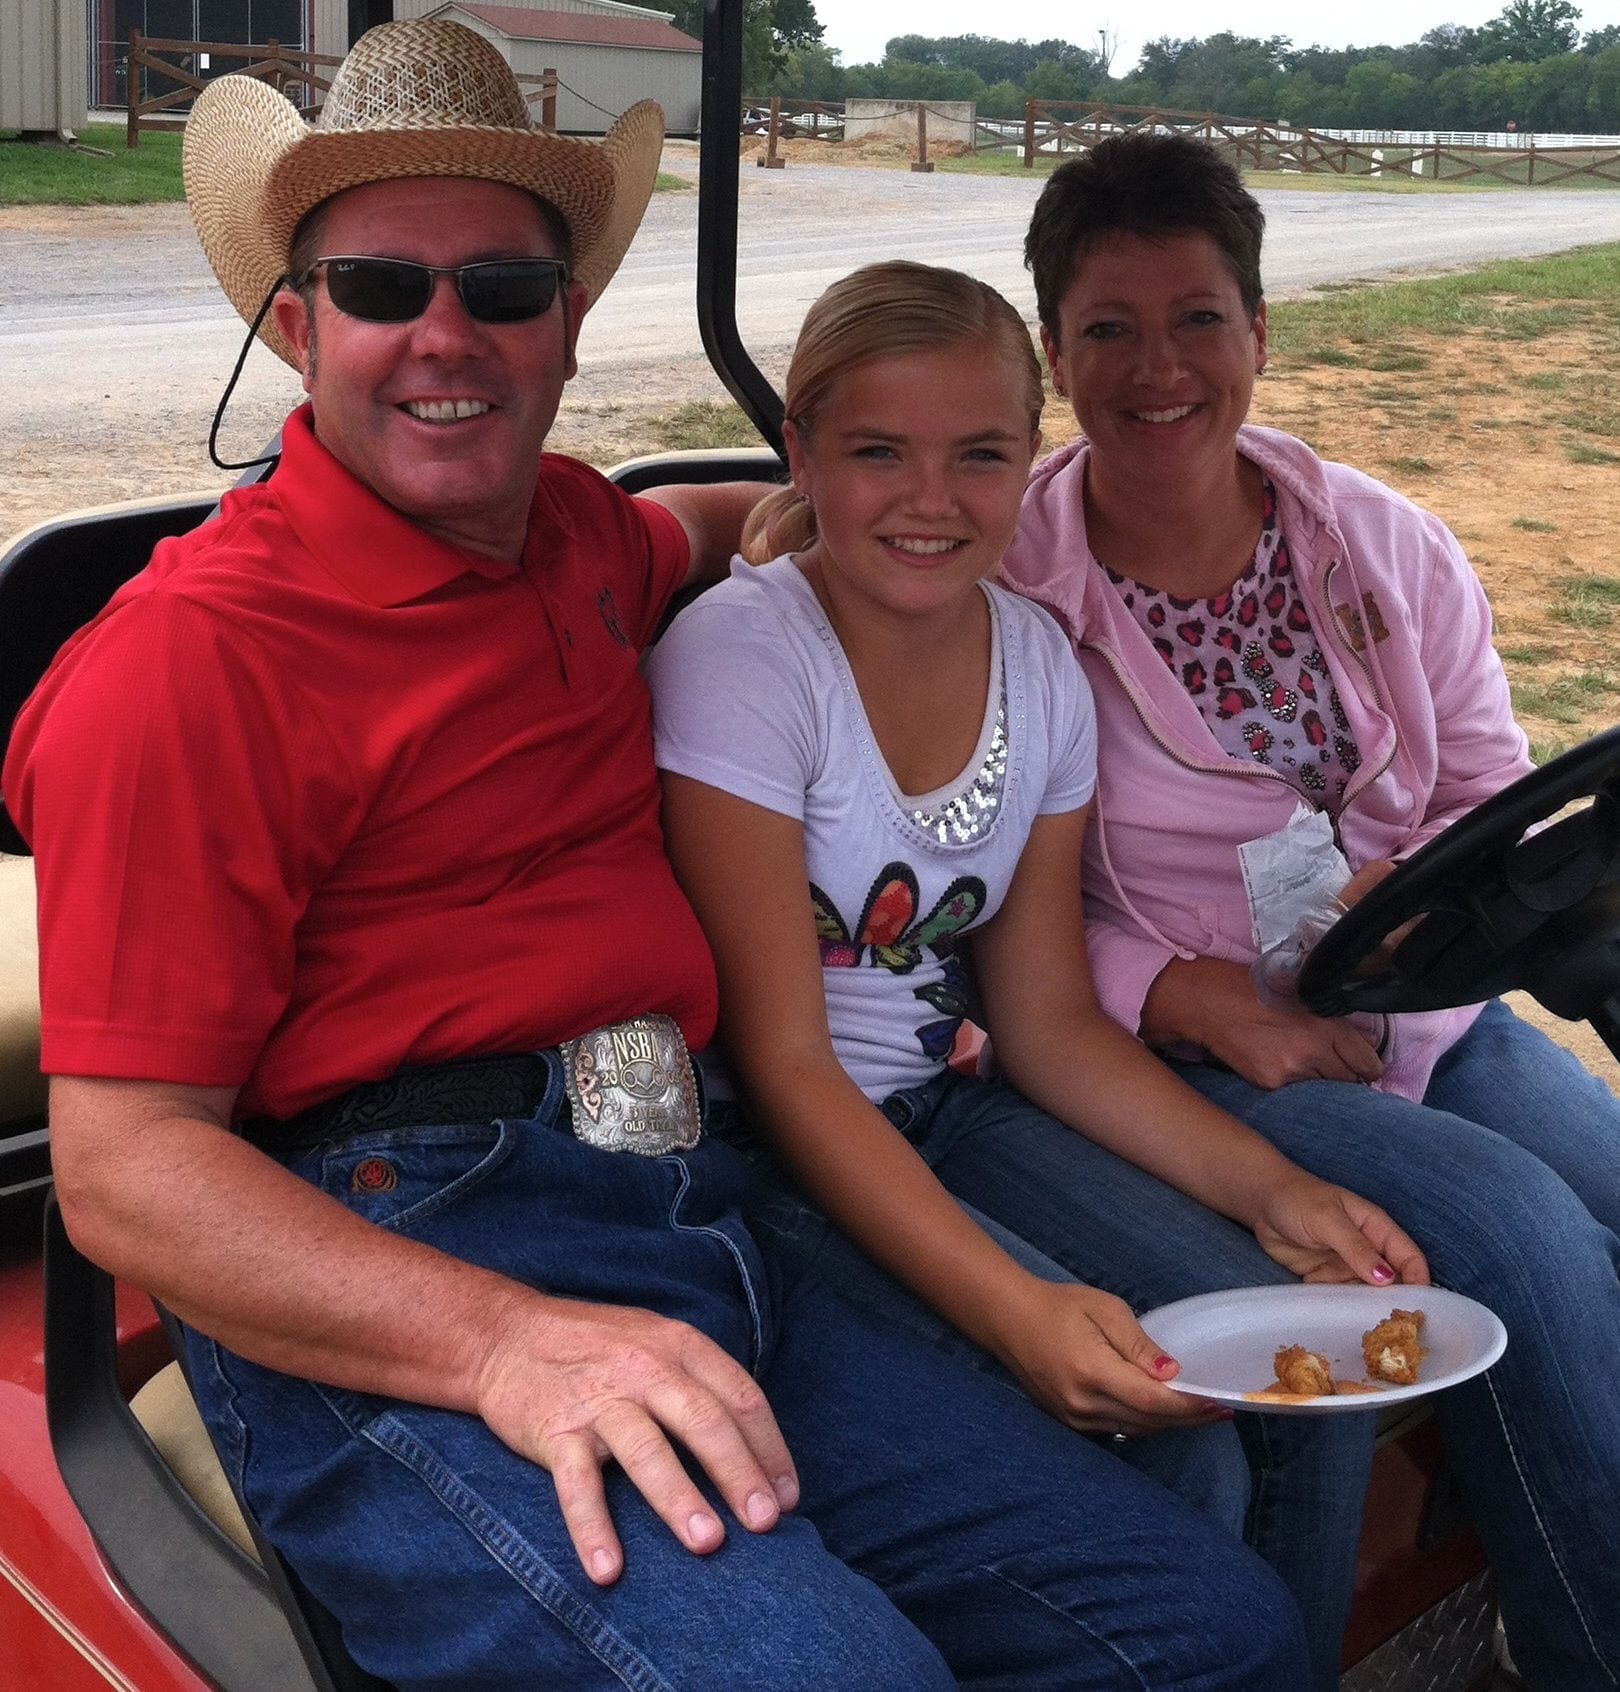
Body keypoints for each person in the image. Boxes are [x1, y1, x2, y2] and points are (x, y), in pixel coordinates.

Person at [1, 27, 1312, 1690]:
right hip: (412, 1246)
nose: (446, 336)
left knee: (1209, 1631)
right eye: (383, 285)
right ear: (292, 321)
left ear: (568, 321)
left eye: (502, 283)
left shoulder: (565, 536)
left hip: (687, 1199)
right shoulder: (192, 666)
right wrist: (503, 1341)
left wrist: (796, 515)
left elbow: (686, 530)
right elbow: (124, 1172)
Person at [646, 259, 1429, 1692]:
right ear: (801, 451)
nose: (930, 499)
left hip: (955, 1109)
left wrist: (1274, 1191)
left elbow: (1050, 1017)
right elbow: (789, 1062)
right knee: (1162, 1433)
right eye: (877, 452)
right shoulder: (747, 660)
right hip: (778, 1151)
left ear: (1033, 458)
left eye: (980, 455)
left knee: (1299, 1368)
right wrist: (1014, 1312)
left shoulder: (1040, 668)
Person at [1001, 128, 1620, 1691]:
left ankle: (1507, 1575)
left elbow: (1487, 780)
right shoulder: (1012, 589)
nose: (1160, 368)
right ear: (1055, 353)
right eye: (1109, 330)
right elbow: (980, 894)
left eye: (1199, 319)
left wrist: (1431, 922)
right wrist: (1183, 992)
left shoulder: (1381, 541)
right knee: (1524, 1241)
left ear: (1260, 335)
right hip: (1210, 1058)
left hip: (1422, 1010)